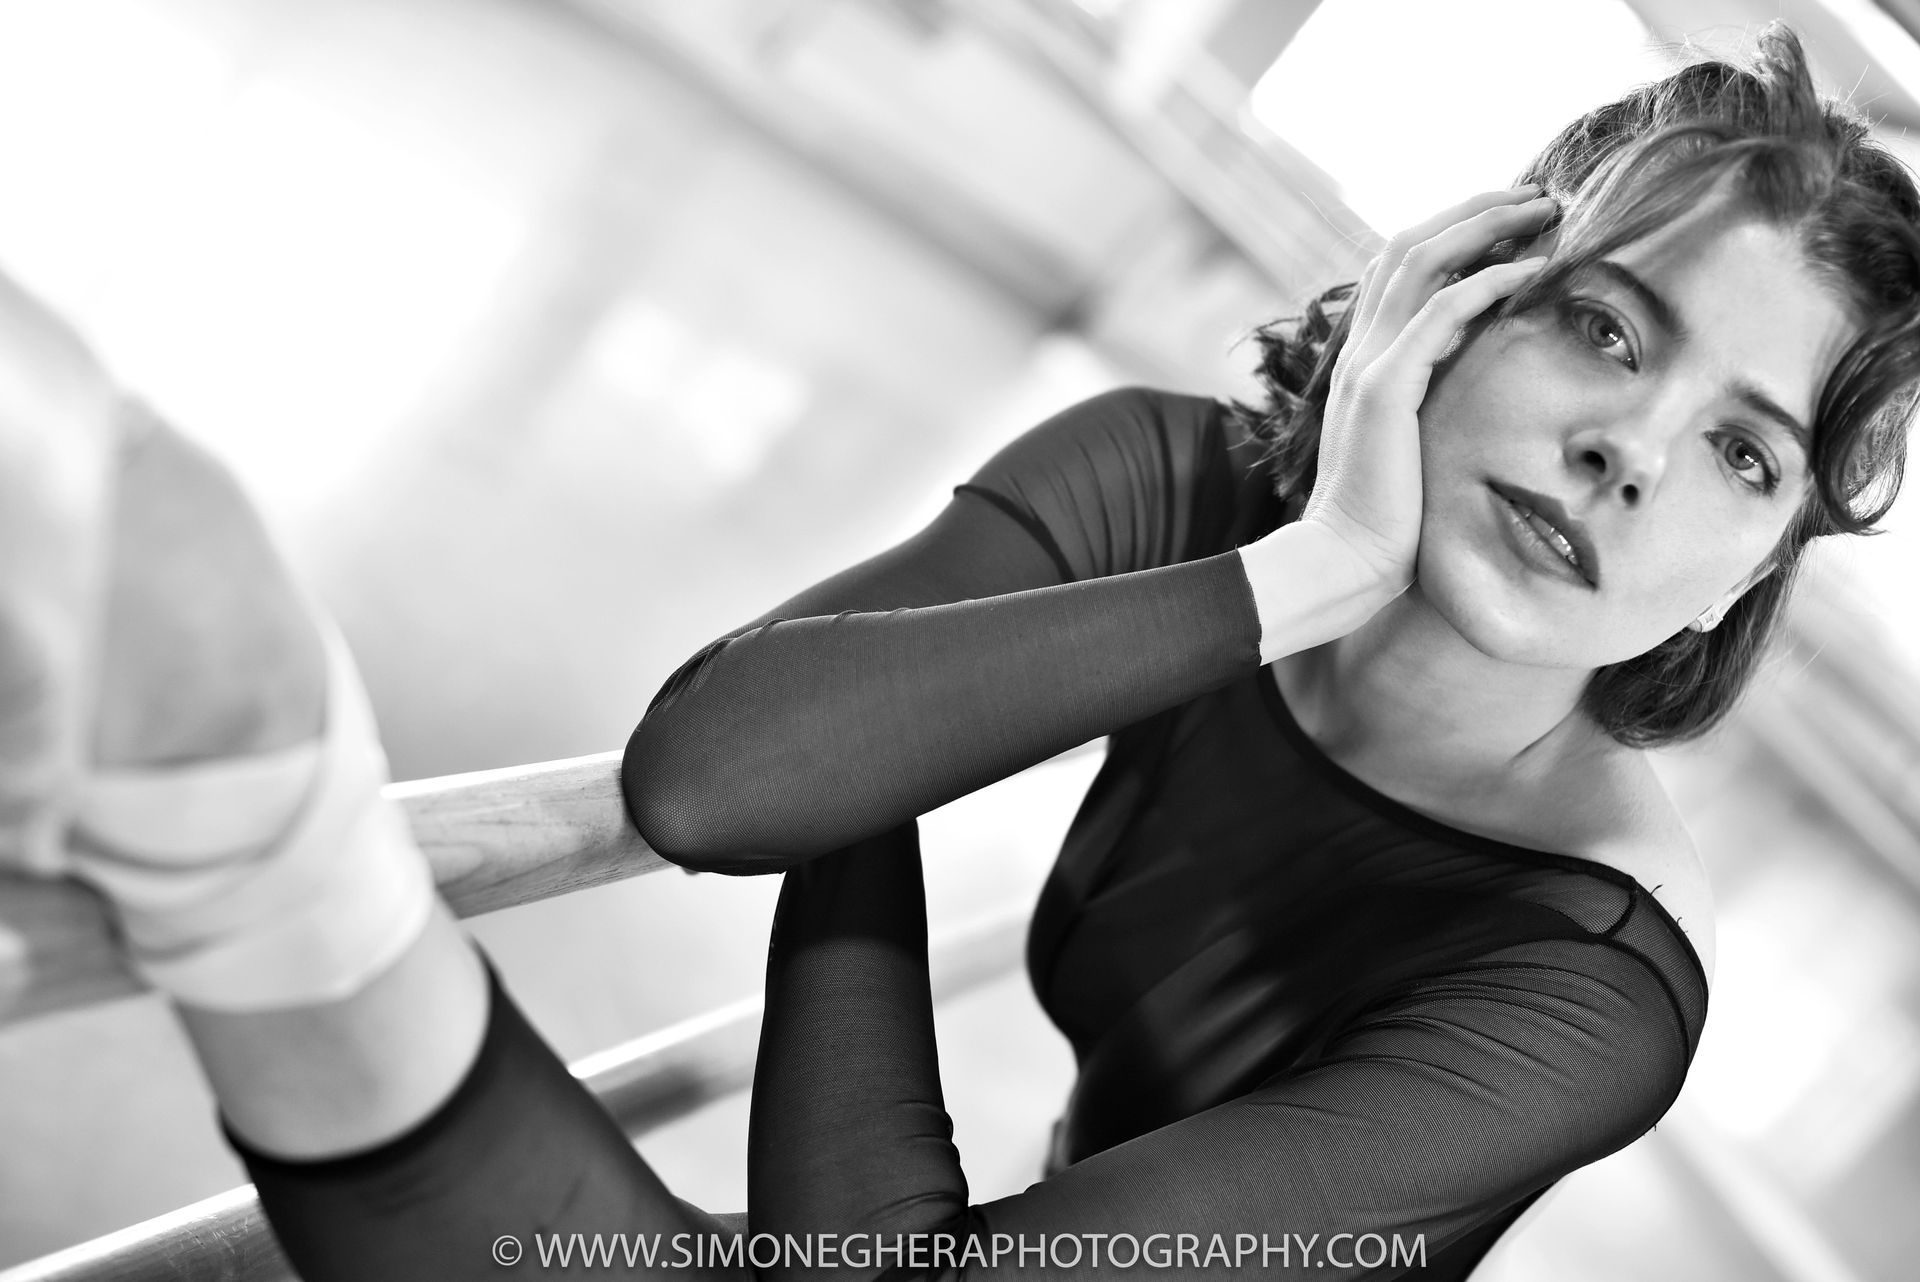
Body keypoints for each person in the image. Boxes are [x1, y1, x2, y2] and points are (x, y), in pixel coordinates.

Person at [6, 22, 1916, 1282]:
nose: (1634, 450)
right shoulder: (1181, 487)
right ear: (1449, 299)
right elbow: (714, 775)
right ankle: (232, 758)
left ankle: (240, 792)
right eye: (1605, 328)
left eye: (1746, 451)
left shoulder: (1588, 984)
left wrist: (901, 736)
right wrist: (1301, 568)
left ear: (1738, 574)